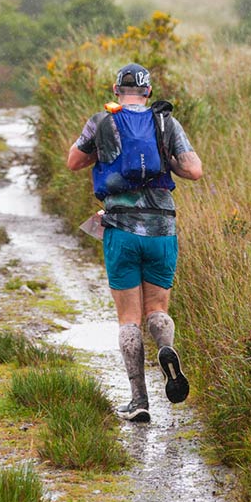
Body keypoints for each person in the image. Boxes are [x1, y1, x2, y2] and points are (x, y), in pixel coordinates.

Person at [66, 62, 202, 423]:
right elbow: (194, 170)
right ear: (148, 92)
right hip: (161, 229)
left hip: (121, 229)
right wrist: (166, 159)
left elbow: (74, 161)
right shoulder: (166, 123)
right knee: (157, 309)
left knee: (128, 317)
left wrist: (102, 153)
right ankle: (166, 347)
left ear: (116, 90)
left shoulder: (102, 121)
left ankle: (139, 400)